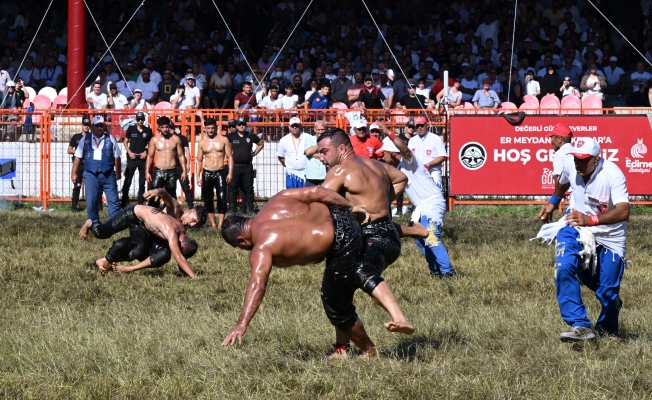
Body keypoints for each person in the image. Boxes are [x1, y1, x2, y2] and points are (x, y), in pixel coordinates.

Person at [283, 129, 414, 358]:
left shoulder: (339, 170)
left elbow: (318, 199)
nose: (321, 157)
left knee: (362, 271)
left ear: (342, 148)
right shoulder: (375, 165)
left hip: (374, 235)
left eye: (324, 152)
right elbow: (402, 178)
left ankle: (399, 317)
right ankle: (342, 348)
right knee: (339, 286)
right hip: (385, 232)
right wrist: (381, 201)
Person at [536, 137, 630, 341]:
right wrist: (552, 202)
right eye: (576, 158)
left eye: (583, 159)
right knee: (563, 267)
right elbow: (562, 183)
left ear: (596, 160)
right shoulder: (572, 165)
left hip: (610, 237)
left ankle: (607, 331)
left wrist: (590, 219)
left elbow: (624, 212)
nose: (578, 163)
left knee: (607, 292)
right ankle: (580, 324)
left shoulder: (612, 174)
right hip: (575, 226)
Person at [380, 125, 456, 278]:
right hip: (420, 206)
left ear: (394, 154)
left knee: (431, 235)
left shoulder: (410, 162)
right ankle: (435, 270)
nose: (382, 157)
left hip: (431, 201)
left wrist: (390, 133)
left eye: (384, 154)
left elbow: (406, 150)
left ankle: (448, 272)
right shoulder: (397, 170)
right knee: (419, 238)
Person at [78, 196, 207, 278]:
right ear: (190, 211)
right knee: (102, 233)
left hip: (144, 224)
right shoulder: (173, 229)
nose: (192, 225)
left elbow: (180, 256)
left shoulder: (182, 230)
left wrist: (185, 273)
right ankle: (90, 223)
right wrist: (194, 277)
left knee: (141, 249)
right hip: (133, 214)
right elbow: (179, 257)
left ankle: (107, 261)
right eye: (193, 220)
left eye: (195, 224)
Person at [71, 116, 122, 223]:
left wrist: (118, 173)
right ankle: (93, 223)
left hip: (108, 174)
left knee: (113, 200)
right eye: (97, 126)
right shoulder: (85, 139)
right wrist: (74, 172)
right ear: (92, 127)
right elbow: (78, 156)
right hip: (91, 174)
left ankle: (115, 223)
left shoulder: (110, 138)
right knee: (91, 201)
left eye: (101, 126)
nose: (99, 128)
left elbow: (117, 156)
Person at [197, 117, 233, 230]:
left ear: (216, 127)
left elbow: (230, 157)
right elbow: (198, 160)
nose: (211, 130)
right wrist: (198, 176)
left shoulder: (223, 140)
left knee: (222, 198)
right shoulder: (202, 142)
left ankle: (221, 224)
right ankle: (213, 224)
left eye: (213, 127)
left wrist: (230, 173)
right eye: (208, 128)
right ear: (205, 129)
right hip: (207, 172)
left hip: (220, 171)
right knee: (208, 199)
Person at [145, 116, 187, 207]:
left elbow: (181, 156)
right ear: (159, 127)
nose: (165, 129)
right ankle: (151, 219)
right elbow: (150, 156)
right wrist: (147, 172)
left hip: (171, 171)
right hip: (159, 171)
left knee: (171, 198)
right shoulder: (155, 140)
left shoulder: (176, 139)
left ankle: (169, 218)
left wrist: (184, 170)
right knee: (154, 196)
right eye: (163, 127)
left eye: (167, 127)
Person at [227, 117, 264, 214]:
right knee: (233, 188)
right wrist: (228, 153)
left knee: (249, 188)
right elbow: (223, 143)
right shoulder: (231, 136)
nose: (241, 126)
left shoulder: (251, 135)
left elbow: (261, 144)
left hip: (247, 166)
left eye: (243, 124)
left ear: (246, 126)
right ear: (236, 126)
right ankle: (232, 208)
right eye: (239, 124)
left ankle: (250, 209)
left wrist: (254, 153)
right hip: (235, 166)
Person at [121, 111, 153, 207]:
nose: (140, 121)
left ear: (144, 120)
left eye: (142, 119)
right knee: (128, 180)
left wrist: (146, 152)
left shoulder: (148, 130)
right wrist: (129, 152)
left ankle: (140, 203)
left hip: (142, 159)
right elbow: (125, 141)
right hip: (132, 158)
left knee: (142, 183)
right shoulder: (131, 129)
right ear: (136, 120)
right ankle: (124, 202)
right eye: (138, 119)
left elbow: (151, 144)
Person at [407, 116, 448, 187]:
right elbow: (408, 156)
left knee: (436, 194)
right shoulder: (412, 141)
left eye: (422, 125)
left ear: (427, 125)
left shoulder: (436, 139)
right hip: (417, 173)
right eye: (417, 126)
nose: (420, 127)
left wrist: (429, 164)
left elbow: (442, 156)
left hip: (433, 172)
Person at [68, 117, 91, 212]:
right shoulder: (76, 137)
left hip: (89, 165)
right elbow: (69, 150)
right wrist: (77, 152)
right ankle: (74, 207)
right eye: (84, 125)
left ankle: (96, 207)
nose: (86, 127)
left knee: (92, 187)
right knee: (77, 186)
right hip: (78, 165)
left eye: (87, 125)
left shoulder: (92, 137)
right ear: (82, 125)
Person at [277, 116, 308, 188]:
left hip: (305, 172)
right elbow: (280, 156)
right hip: (291, 172)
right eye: (292, 125)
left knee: (304, 196)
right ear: (289, 127)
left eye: (296, 125)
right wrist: (289, 165)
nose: (295, 127)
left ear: (300, 125)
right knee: (291, 195)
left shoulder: (308, 137)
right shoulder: (284, 140)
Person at [173, 123, 194, 209]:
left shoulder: (182, 138)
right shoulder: (167, 139)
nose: (170, 130)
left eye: (172, 128)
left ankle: (190, 205)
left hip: (181, 166)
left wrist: (188, 164)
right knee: (171, 187)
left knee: (185, 186)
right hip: (171, 166)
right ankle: (171, 205)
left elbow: (187, 151)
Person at [303, 120, 328, 186]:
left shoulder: (329, 140)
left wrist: (312, 154)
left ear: (326, 130)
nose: (320, 132)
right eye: (318, 129)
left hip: (325, 175)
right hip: (311, 175)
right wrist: (320, 143)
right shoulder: (309, 139)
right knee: (310, 196)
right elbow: (307, 153)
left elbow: (328, 155)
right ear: (314, 129)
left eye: (322, 129)